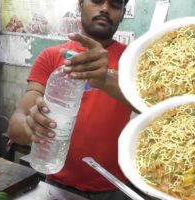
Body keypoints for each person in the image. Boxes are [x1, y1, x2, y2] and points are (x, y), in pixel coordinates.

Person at [8, 0, 150, 199]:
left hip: (115, 185)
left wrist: (105, 79)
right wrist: (31, 126)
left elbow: (153, 110)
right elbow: (15, 126)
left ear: (123, 13)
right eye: (97, 0)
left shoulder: (134, 60)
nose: (105, 8)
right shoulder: (51, 57)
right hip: (58, 184)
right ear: (80, 4)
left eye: (115, 4)